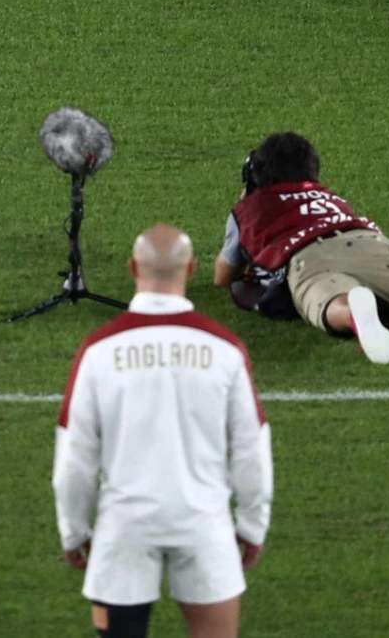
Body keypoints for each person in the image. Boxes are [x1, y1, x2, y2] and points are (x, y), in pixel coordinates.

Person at [54, 225, 271, 638]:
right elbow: (250, 447)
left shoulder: (98, 350)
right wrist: (251, 525)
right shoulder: (225, 349)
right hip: (204, 523)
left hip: (124, 528)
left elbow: (75, 457)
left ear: (133, 267)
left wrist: (74, 530)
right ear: (190, 268)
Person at [213, 131, 389, 365]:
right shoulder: (330, 197)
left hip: (309, 256)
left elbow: (222, 277)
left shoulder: (249, 208)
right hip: (370, 244)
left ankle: (355, 313)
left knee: (328, 301)